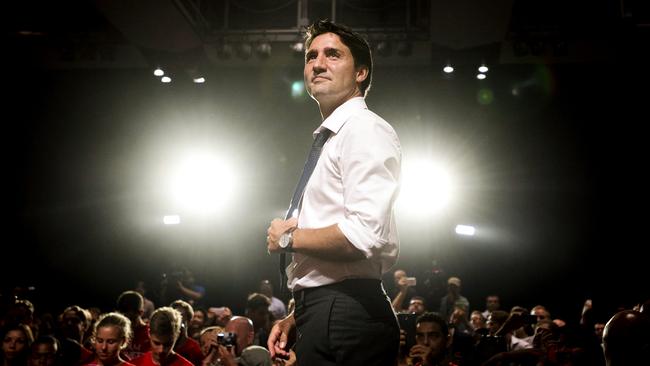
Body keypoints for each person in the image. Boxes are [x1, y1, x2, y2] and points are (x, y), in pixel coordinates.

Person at [266, 19, 401, 365]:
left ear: (361, 73)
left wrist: (288, 239)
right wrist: (298, 315)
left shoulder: (363, 130)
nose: (318, 63)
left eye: (333, 55)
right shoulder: (334, 137)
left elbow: (364, 234)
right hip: (329, 310)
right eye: (311, 56)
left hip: (346, 313)